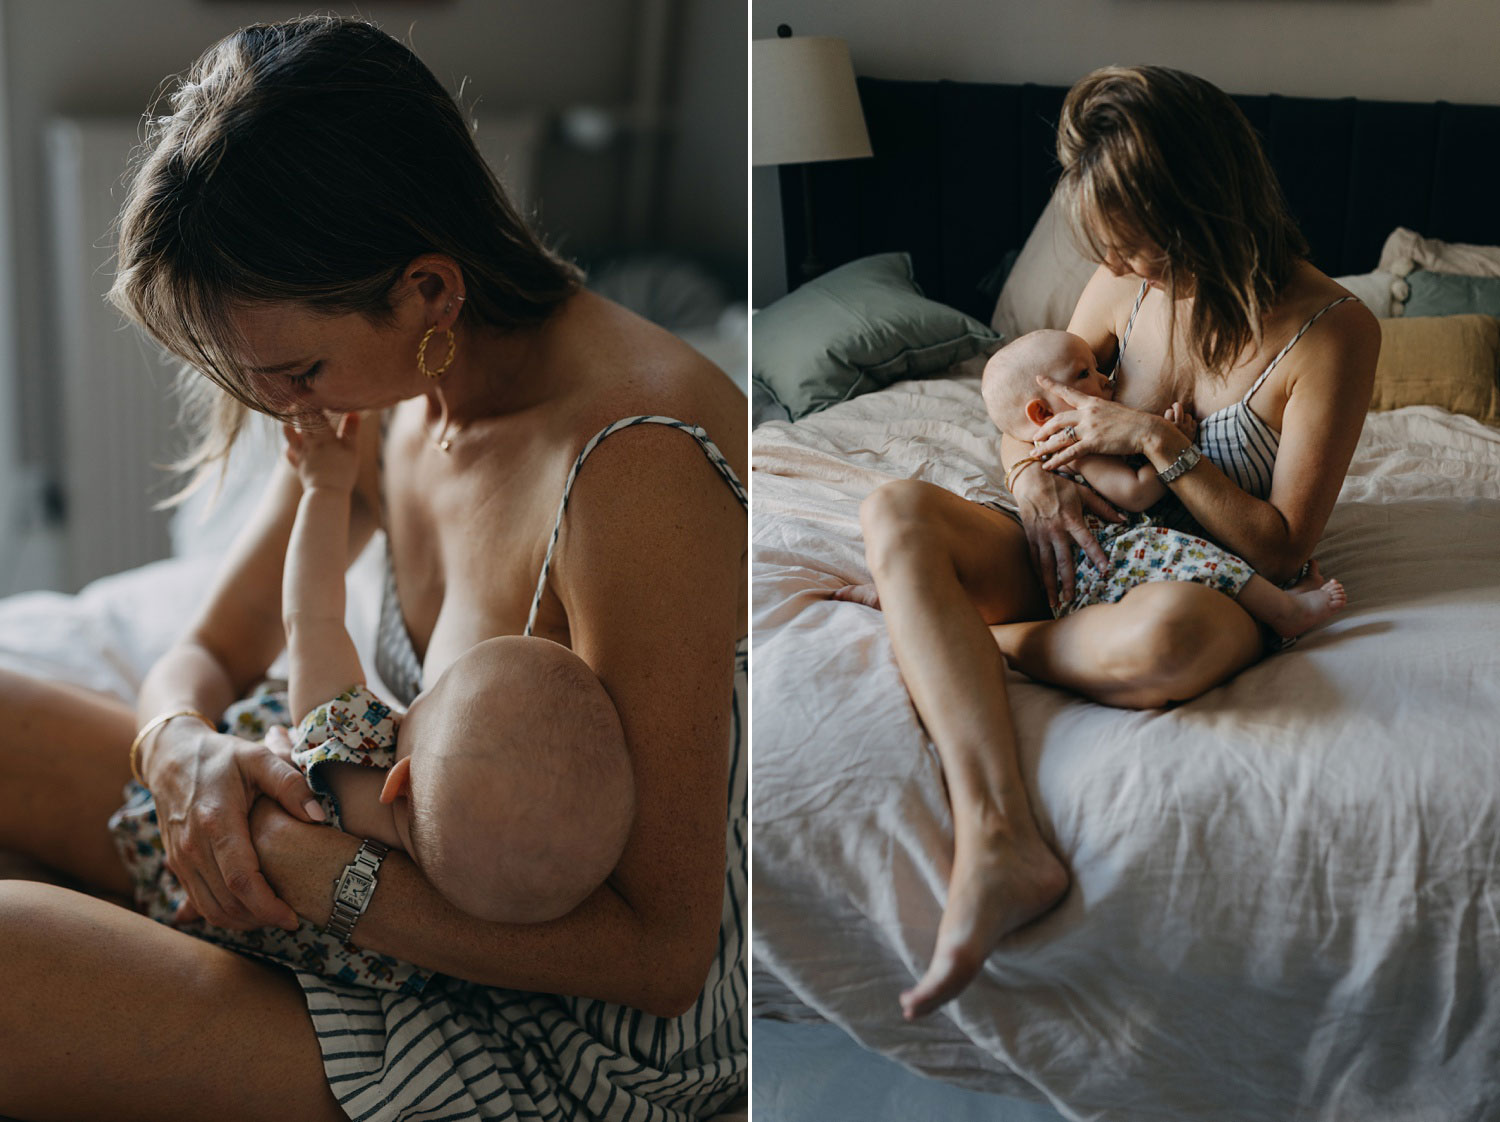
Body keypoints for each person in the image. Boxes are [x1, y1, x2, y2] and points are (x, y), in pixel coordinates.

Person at [0, 15, 745, 1122]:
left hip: (557, 1033)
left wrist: (294, 866)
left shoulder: (637, 469)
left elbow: (661, 962)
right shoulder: (406, 387)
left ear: (429, 293)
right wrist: (180, 752)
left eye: (297, 370)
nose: (281, 413)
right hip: (367, 875)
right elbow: (211, 644)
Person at [848, 65, 1379, 1020]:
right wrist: (1031, 481)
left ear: (1210, 209)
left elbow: (1284, 551)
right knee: (894, 509)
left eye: (1144, 250)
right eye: (1115, 253)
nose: (1128, 271)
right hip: (1075, 552)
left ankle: (980, 641)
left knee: (1166, 643)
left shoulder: (1334, 332)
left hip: (1197, 584)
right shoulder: (1120, 283)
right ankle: (996, 835)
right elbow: (1026, 402)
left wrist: (1160, 443)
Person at [111, 411, 636, 990]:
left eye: (430, 699)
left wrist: (324, 489)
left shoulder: (352, 759)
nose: (409, 703)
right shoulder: (471, 887)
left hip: (188, 865)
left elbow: (310, 617)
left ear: (400, 780)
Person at [974, 328, 1346, 638]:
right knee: (1190, 555)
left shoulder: (1061, 435)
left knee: (1198, 569)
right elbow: (1135, 494)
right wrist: (1170, 442)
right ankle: (1285, 612)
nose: (1107, 379)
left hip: (1113, 556)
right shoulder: (1076, 445)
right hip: (1111, 556)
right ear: (1041, 413)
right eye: (1084, 374)